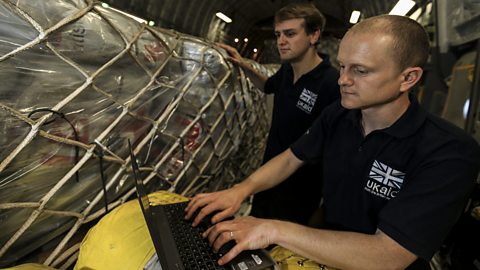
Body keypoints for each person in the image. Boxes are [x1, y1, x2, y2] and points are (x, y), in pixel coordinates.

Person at [185, 14, 480, 270]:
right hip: (321, 253)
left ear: (408, 78)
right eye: (342, 66)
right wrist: (240, 190)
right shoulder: (339, 114)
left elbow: (390, 254)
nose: (343, 80)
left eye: (360, 70)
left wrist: (272, 229)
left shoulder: (450, 152)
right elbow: (292, 157)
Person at [218, 2, 340, 225]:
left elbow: (336, 147)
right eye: (278, 34)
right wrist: (242, 63)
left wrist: (325, 204)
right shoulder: (286, 70)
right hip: (267, 175)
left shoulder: (332, 84)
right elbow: (267, 86)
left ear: (314, 35)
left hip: (301, 188)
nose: (281, 41)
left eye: (290, 34)